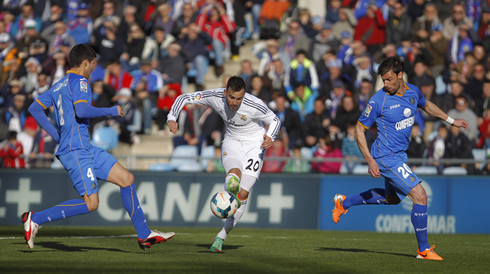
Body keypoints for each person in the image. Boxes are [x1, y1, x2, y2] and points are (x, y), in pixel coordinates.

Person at [25, 44, 174, 250]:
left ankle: (144, 235)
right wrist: (111, 110)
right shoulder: (80, 81)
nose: (94, 69)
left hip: (85, 147)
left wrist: (57, 135)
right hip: (76, 151)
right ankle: (35, 218)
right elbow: (82, 109)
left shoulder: (59, 84)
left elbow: (35, 108)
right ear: (86, 62)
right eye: (93, 64)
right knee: (91, 204)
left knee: (126, 179)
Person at [332, 56, 468, 260]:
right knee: (420, 196)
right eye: (383, 80)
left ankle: (344, 202)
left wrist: (451, 120)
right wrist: (370, 160)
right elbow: (359, 131)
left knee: (392, 199)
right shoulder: (379, 99)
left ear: (400, 75)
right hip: (385, 156)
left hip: (399, 156)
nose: (385, 84)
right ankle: (423, 250)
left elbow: (426, 105)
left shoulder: (413, 91)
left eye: (388, 79)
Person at [167, 76, 281, 252]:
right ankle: (229, 190)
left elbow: (274, 120)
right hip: (232, 142)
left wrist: (270, 137)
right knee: (234, 176)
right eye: (231, 97)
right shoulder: (215, 96)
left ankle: (221, 236)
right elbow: (184, 97)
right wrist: (172, 116)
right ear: (225, 92)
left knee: (242, 194)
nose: (234, 102)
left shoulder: (254, 104)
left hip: (255, 146)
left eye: (239, 98)